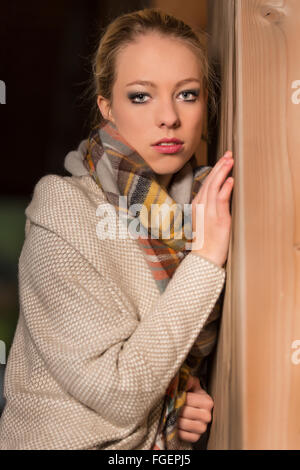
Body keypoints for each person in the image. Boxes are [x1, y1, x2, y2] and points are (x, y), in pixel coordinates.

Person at [0, 8, 234, 450]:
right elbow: (118, 391)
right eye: (141, 96)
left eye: (187, 94)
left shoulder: (203, 210)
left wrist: (174, 406)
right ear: (106, 106)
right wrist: (203, 260)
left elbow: (154, 372)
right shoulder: (63, 209)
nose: (168, 117)